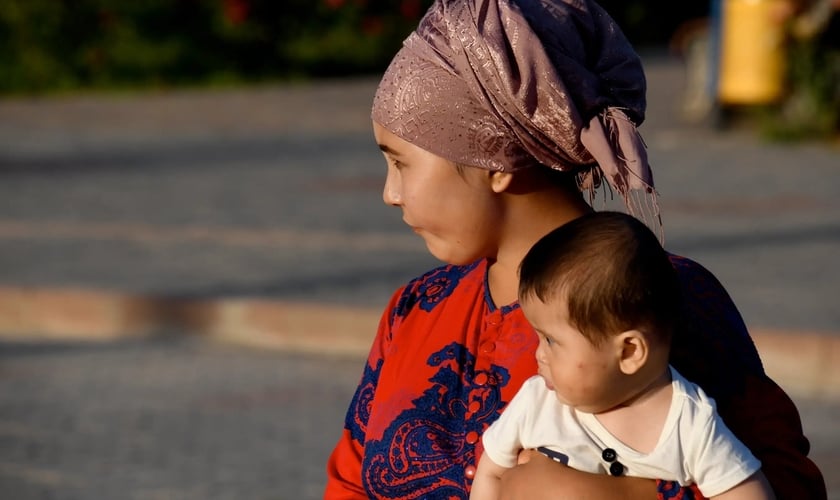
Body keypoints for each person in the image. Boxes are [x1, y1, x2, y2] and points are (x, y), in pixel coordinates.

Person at [324, 0, 826, 498]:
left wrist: (605, 494)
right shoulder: (416, 309)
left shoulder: (657, 295)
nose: (390, 194)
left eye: (402, 164)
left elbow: (787, 482)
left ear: (492, 159)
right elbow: (348, 481)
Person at [469, 211, 775, 500]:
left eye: (551, 340)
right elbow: (492, 471)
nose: (539, 355)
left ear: (629, 352)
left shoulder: (690, 424)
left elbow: (746, 492)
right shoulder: (536, 403)